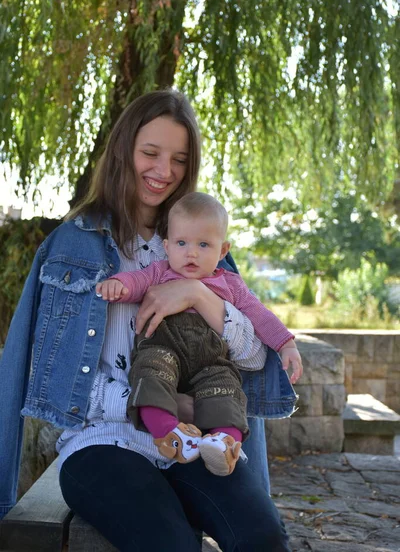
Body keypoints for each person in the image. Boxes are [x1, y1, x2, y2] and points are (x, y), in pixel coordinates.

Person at [0, 89, 301, 551]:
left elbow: (253, 357)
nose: (164, 172)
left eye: (179, 159)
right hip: (101, 444)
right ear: (124, 150)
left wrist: (199, 295)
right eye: (151, 153)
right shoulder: (70, 247)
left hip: (194, 442)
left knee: (262, 536)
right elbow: (53, 382)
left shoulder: (198, 246)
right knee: (171, 543)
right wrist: (158, 405)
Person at [96, 191, 301, 477]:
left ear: (223, 250)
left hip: (210, 358)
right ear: (166, 246)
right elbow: (136, 281)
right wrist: (119, 285)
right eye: (181, 243)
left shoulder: (230, 284)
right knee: (151, 373)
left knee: (227, 388)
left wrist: (285, 343)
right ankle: (168, 432)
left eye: (203, 244)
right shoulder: (160, 272)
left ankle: (224, 442)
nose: (191, 252)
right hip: (163, 346)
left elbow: (260, 315)